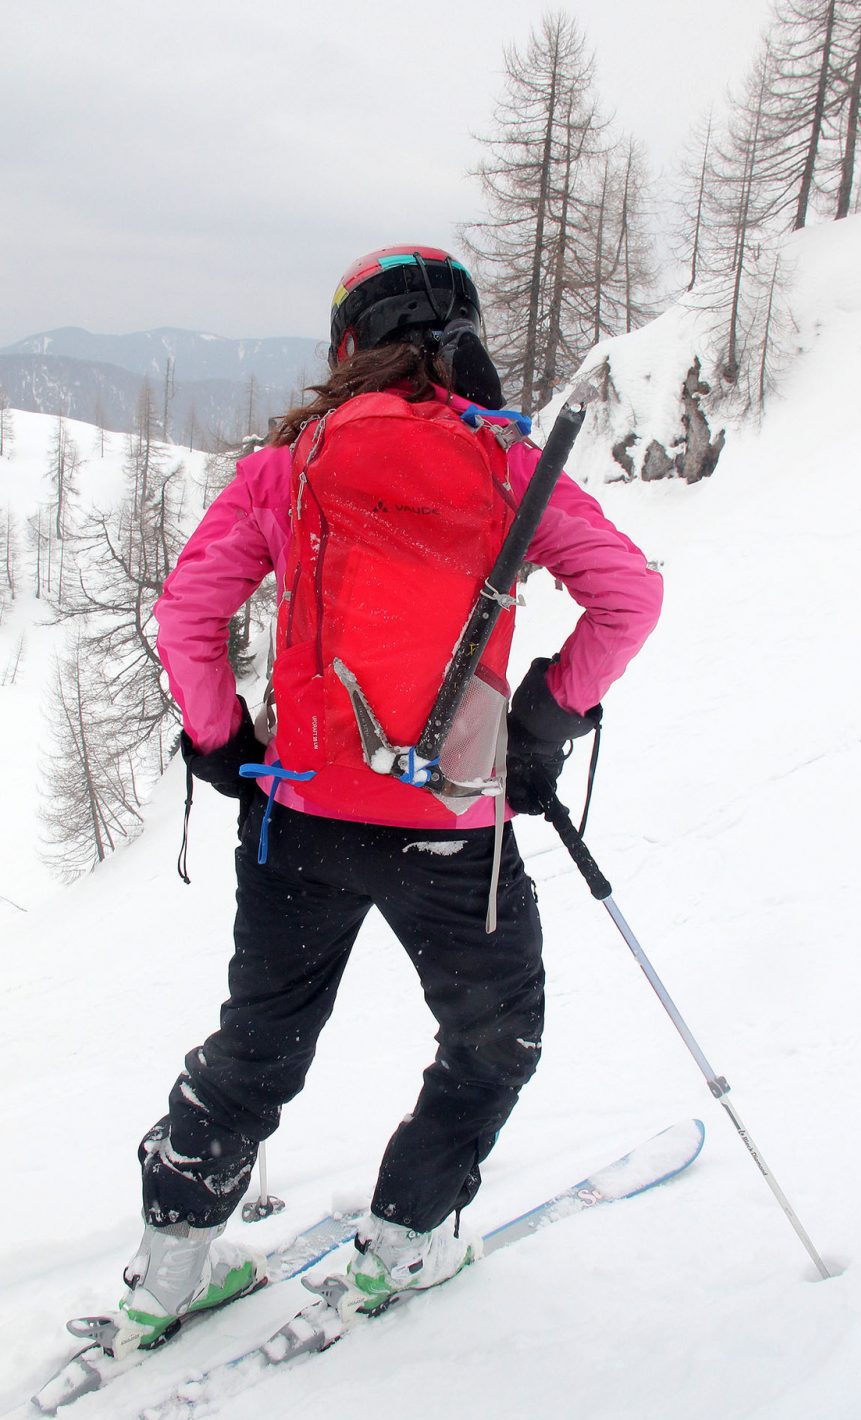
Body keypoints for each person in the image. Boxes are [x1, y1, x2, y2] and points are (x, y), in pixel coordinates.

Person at [108, 245, 663, 1356]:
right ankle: (405, 1236)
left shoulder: (292, 463)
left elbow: (185, 620)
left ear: (348, 345)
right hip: (452, 834)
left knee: (260, 1039)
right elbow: (628, 595)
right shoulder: (510, 464)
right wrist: (542, 723)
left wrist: (226, 743)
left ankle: (171, 1270)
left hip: (298, 820)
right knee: (490, 1038)